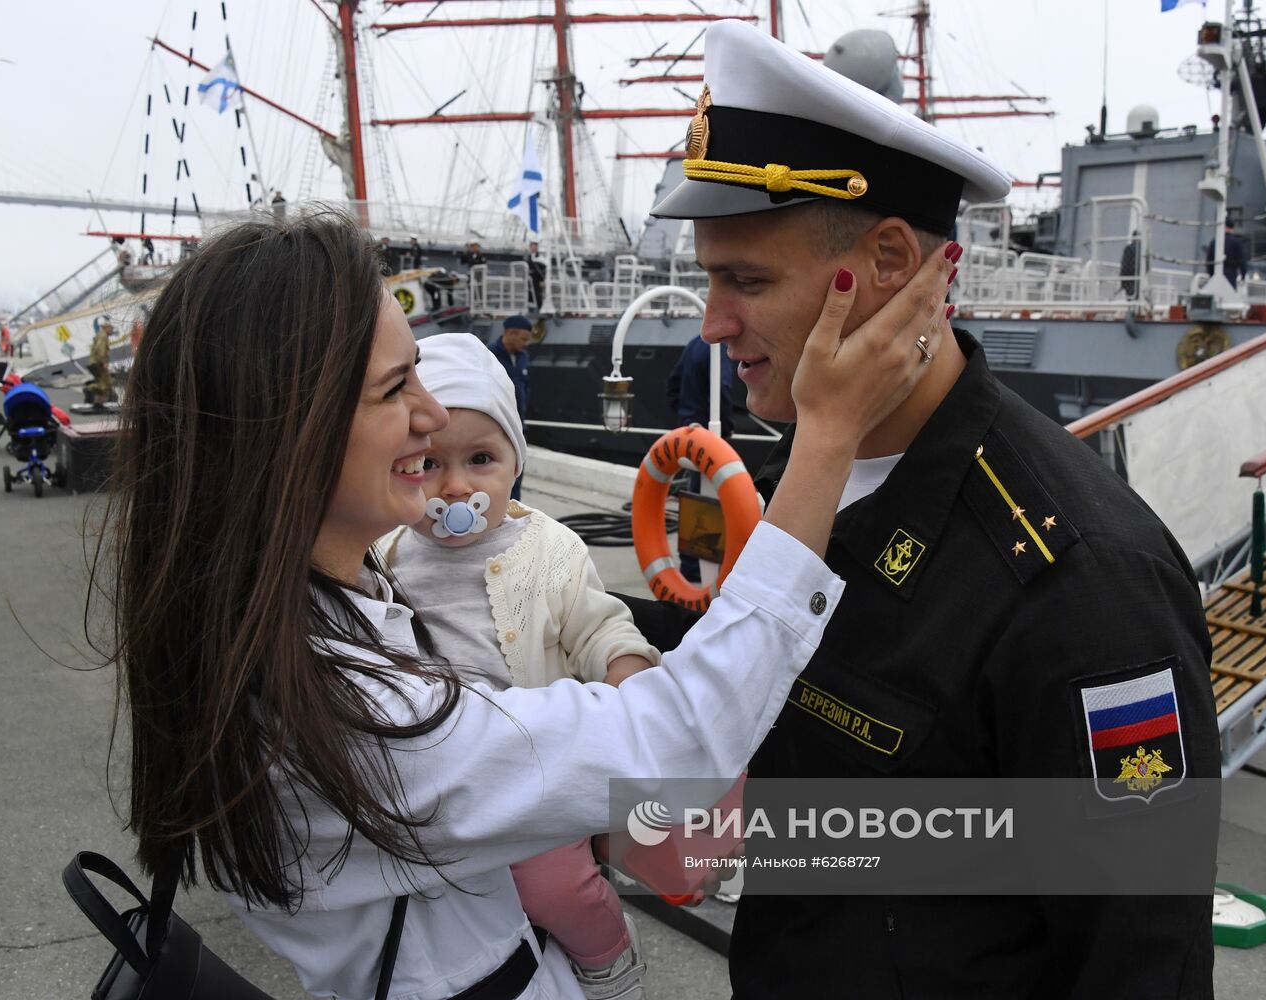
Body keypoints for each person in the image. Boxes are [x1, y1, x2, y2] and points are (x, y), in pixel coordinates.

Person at [98, 211, 950, 1000]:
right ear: (293, 429)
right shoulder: (349, 719)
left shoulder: (263, 622)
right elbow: (675, 742)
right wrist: (828, 437)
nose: (431, 417)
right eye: (397, 390)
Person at [635, 21, 1219, 998]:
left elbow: (1139, 962)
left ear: (894, 260)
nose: (713, 323)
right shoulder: (816, 478)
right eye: (708, 277)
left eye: (746, 279)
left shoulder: (1082, 584)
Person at [379, 333, 660, 998]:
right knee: (465, 898)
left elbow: (598, 623)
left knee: (554, 885)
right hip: (442, 779)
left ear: (513, 463)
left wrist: (625, 671)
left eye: (480, 460)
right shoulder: (386, 554)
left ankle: (608, 952)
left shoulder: (549, 548)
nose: (456, 487)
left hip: (536, 776)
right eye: (429, 464)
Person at [663, 334, 735, 583]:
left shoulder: (693, 344)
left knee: (695, 495)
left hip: (691, 432)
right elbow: (723, 389)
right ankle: (699, 566)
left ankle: (691, 563)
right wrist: (725, 427)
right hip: (710, 435)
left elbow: (671, 385)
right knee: (710, 502)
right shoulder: (718, 349)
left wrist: (686, 419)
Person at [490, 314, 532, 501]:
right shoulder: (488, 355)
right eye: (523, 338)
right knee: (497, 469)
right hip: (496, 423)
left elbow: (526, 385)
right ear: (510, 333)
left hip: (518, 422)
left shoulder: (523, 356)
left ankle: (513, 507)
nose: (526, 343)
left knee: (517, 467)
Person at [1205, 221, 1248, 288]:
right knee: (1229, 294)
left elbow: (1209, 260)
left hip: (1216, 272)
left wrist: (1211, 274)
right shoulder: (1237, 242)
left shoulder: (1215, 241)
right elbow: (1241, 260)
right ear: (1232, 229)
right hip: (1231, 272)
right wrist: (1243, 275)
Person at [86, 317, 114, 407]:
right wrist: (103, 362)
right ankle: (90, 389)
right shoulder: (103, 336)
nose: (112, 330)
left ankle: (98, 401)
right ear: (106, 327)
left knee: (103, 383)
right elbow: (100, 349)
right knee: (105, 383)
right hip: (98, 362)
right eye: (111, 328)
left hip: (95, 362)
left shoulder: (100, 335)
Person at [1119, 230, 1142, 300]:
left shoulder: (1129, 249)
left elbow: (1125, 266)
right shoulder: (1143, 250)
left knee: (1131, 300)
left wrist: (1123, 282)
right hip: (1140, 280)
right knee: (1138, 298)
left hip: (1130, 280)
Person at [526, 240, 547, 311]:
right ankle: (530, 309)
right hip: (529, 279)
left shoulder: (541, 258)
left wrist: (542, 280)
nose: (534, 248)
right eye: (533, 247)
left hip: (538, 280)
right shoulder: (528, 258)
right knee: (529, 294)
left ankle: (540, 309)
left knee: (538, 295)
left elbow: (544, 270)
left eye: (536, 247)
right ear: (530, 247)